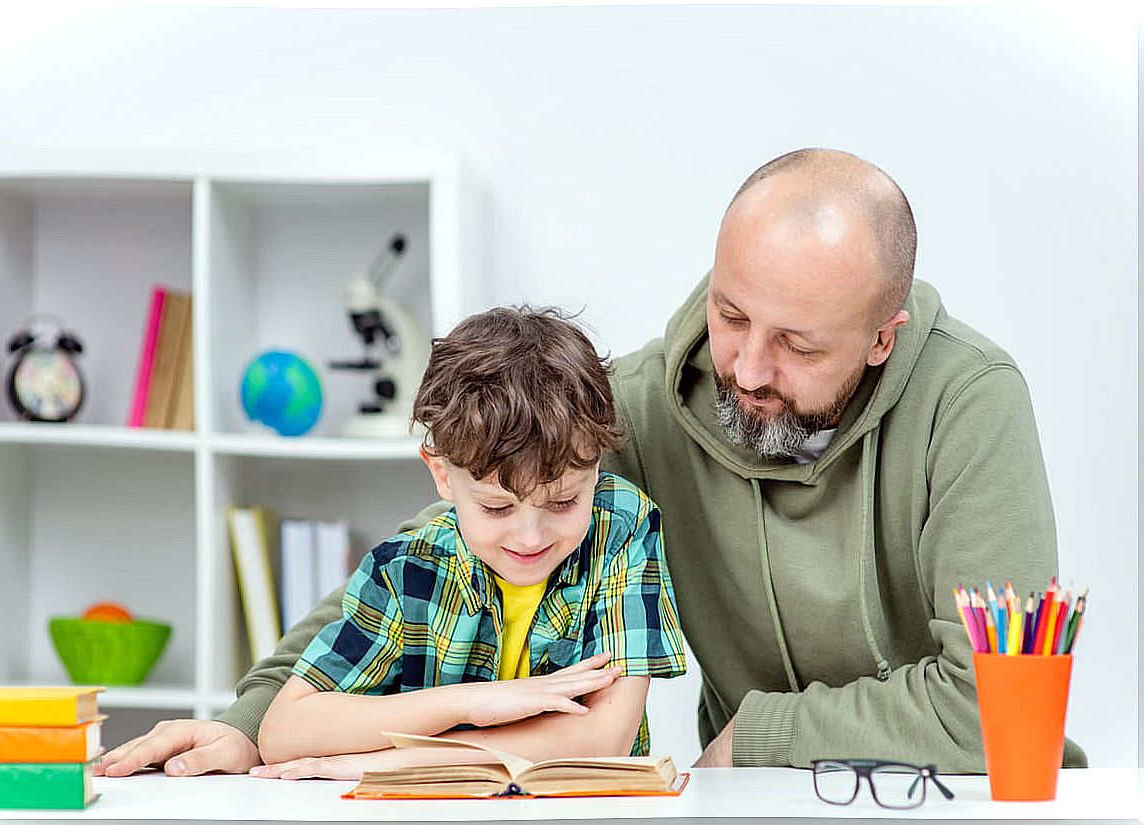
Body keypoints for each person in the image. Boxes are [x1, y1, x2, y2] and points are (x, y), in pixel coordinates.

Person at [96, 148, 1083, 778]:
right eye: (732, 312)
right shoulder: (646, 401)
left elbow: (995, 706)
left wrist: (763, 734)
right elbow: (421, 559)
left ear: (881, 337)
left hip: (963, 798)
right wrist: (252, 715)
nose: (746, 366)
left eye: (799, 345)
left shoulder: (970, 403)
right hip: (755, 801)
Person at [237, 306, 685, 779]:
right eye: (497, 508)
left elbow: (602, 740)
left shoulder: (620, 527)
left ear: (596, 466)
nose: (530, 536)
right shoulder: (409, 568)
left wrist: (401, 759)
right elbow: (285, 732)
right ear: (441, 475)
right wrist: (472, 703)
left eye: (563, 503)